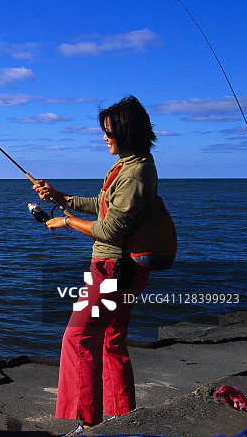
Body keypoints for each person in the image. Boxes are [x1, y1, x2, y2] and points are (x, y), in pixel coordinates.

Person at [33, 95, 158, 434]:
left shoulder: (134, 174)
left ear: (126, 132)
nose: (104, 137)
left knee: (77, 338)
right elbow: (106, 206)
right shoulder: (132, 165)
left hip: (113, 270)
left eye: (108, 131)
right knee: (110, 341)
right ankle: (122, 420)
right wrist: (63, 199)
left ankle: (84, 422)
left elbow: (110, 229)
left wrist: (66, 222)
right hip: (125, 269)